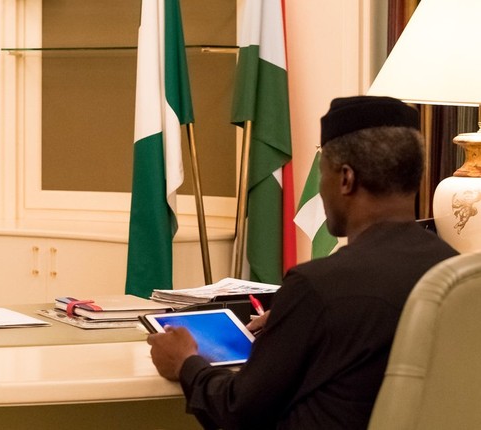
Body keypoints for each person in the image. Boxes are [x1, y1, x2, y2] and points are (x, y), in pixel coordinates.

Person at [146, 95, 458, 429]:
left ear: (345, 179)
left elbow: (237, 411)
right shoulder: (454, 270)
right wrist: (293, 322)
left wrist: (185, 362)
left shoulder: (319, 286)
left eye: (323, 173)